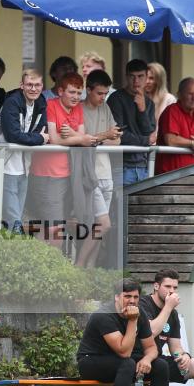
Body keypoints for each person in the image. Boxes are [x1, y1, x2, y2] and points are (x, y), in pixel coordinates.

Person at [77, 278, 177, 386]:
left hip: (120, 361)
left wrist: (146, 359)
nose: (132, 301)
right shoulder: (103, 315)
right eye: (127, 296)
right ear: (117, 297)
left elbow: (151, 347)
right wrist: (132, 321)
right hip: (91, 361)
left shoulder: (140, 313)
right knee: (128, 363)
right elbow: (123, 351)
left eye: (136, 297)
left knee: (161, 365)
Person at [29, 72, 96, 247]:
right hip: (47, 175)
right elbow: (55, 139)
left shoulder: (78, 108)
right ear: (60, 91)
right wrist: (80, 139)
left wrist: (75, 136)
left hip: (70, 175)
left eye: (78, 93)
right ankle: (48, 271)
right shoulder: (50, 105)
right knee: (54, 231)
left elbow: (80, 136)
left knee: (58, 229)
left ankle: (44, 267)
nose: (76, 97)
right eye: (71, 92)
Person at [0, 69, 49, 233]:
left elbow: (41, 128)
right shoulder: (12, 101)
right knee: (13, 216)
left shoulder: (41, 101)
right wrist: (38, 139)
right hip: (5, 160)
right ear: (21, 85)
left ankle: (12, 245)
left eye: (37, 85)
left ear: (42, 86)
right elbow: (12, 136)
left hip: (24, 163)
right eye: (29, 85)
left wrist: (35, 137)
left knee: (17, 210)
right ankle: (14, 245)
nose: (33, 89)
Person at [77, 70, 121, 268]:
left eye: (106, 93)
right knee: (104, 224)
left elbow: (117, 141)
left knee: (99, 227)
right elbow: (82, 140)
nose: (103, 97)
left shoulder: (105, 108)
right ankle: (79, 265)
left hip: (106, 172)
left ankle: (89, 270)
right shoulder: (78, 109)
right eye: (99, 93)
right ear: (88, 90)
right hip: (88, 174)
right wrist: (103, 137)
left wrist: (97, 139)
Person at [108, 59, 155, 185]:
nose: (136, 81)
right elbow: (118, 134)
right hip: (121, 165)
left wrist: (142, 110)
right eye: (132, 77)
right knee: (120, 205)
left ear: (146, 77)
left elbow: (149, 132)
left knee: (142, 205)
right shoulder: (116, 99)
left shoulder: (149, 103)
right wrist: (144, 141)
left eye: (140, 76)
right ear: (126, 77)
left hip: (143, 165)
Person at [155, 77, 194, 175]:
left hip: (190, 175)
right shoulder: (171, 111)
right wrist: (192, 143)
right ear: (179, 95)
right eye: (190, 94)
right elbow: (171, 140)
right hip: (167, 175)